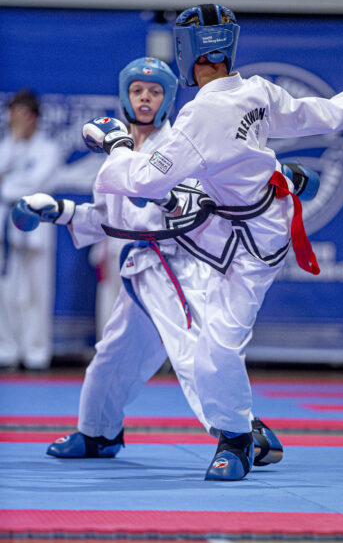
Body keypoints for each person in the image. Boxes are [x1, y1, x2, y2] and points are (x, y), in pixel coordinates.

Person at [82, 4, 343, 481]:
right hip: (233, 229)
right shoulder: (256, 89)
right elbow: (319, 114)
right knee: (197, 343)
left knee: (215, 347)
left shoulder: (201, 114)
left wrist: (117, 143)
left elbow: (143, 181)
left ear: (186, 52)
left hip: (249, 243)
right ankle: (196, 432)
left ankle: (238, 441)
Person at [12, 57, 284, 468]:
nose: (145, 98)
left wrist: (162, 195)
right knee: (111, 358)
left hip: (178, 265)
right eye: (137, 90)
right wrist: (57, 210)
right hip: (138, 268)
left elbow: (192, 208)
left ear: (168, 98)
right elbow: (108, 220)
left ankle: (246, 434)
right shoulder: (117, 152)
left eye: (154, 92)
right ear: (125, 96)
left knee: (193, 356)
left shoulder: (184, 143)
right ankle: (98, 433)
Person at [0, 89, 62, 371]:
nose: (15, 119)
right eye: (12, 114)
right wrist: (14, 141)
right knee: (6, 292)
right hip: (5, 225)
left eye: (21, 114)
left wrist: (9, 186)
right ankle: (7, 350)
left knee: (37, 291)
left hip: (36, 224)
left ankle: (37, 353)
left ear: (34, 117)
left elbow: (36, 184)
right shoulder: (6, 145)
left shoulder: (48, 149)